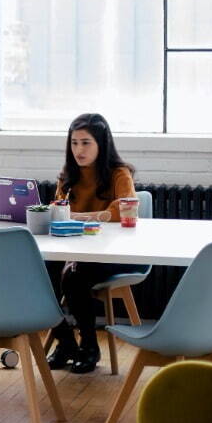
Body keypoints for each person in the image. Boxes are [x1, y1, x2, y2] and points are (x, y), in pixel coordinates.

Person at [46, 113, 141, 374]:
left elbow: (124, 210)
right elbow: (59, 210)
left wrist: (81, 217)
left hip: (112, 253)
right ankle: (65, 341)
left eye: (86, 143)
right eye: (74, 143)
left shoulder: (119, 174)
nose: (79, 150)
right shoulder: (68, 175)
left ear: (101, 144)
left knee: (74, 276)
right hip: (74, 249)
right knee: (40, 273)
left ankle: (89, 345)